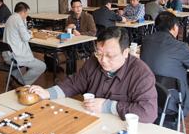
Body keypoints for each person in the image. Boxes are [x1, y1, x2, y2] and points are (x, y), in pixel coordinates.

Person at [29, 27, 158, 123]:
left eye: (110, 56)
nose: (103, 60)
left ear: (125, 53)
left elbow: (148, 113)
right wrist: (48, 93)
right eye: (99, 54)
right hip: (93, 121)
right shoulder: (93, 62)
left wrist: (108, 106)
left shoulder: (141, 74)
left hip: (121, 128)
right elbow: (74, 83)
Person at [141, 12, 189, 117]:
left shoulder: (146, 41)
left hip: (147, 93)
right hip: (171, 101)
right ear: (175, 27)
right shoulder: (180, 46)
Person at [2, 2, 47, 85]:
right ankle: (22, 82)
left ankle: (14, 76)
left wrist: (25, 26)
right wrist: (30, 33)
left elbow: (21, 32)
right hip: (16, 57)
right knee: (42, 66)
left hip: (7, 55)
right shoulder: (18, 19)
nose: (26, 15)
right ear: (23, 12)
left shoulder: (11, 18)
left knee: (31, 59)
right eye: (26, 13)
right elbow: (26, 37)